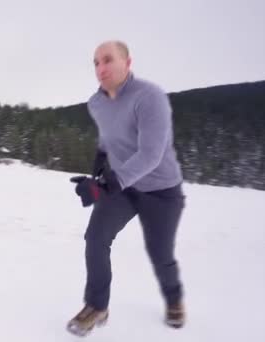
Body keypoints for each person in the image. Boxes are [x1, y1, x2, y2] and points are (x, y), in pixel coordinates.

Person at [67, 41, 186, 336]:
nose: (100, 68)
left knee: (160, 253)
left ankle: (174, 298)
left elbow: (151, 155)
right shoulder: (96, 103)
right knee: (95, 238)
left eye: (108, 60)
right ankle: (97, 305)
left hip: (161, 190)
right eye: (95, 62)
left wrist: (107, 183)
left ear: (127, 63)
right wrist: (97, 170)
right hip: (124, 187)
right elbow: (108, 139)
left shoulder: (149, 97)